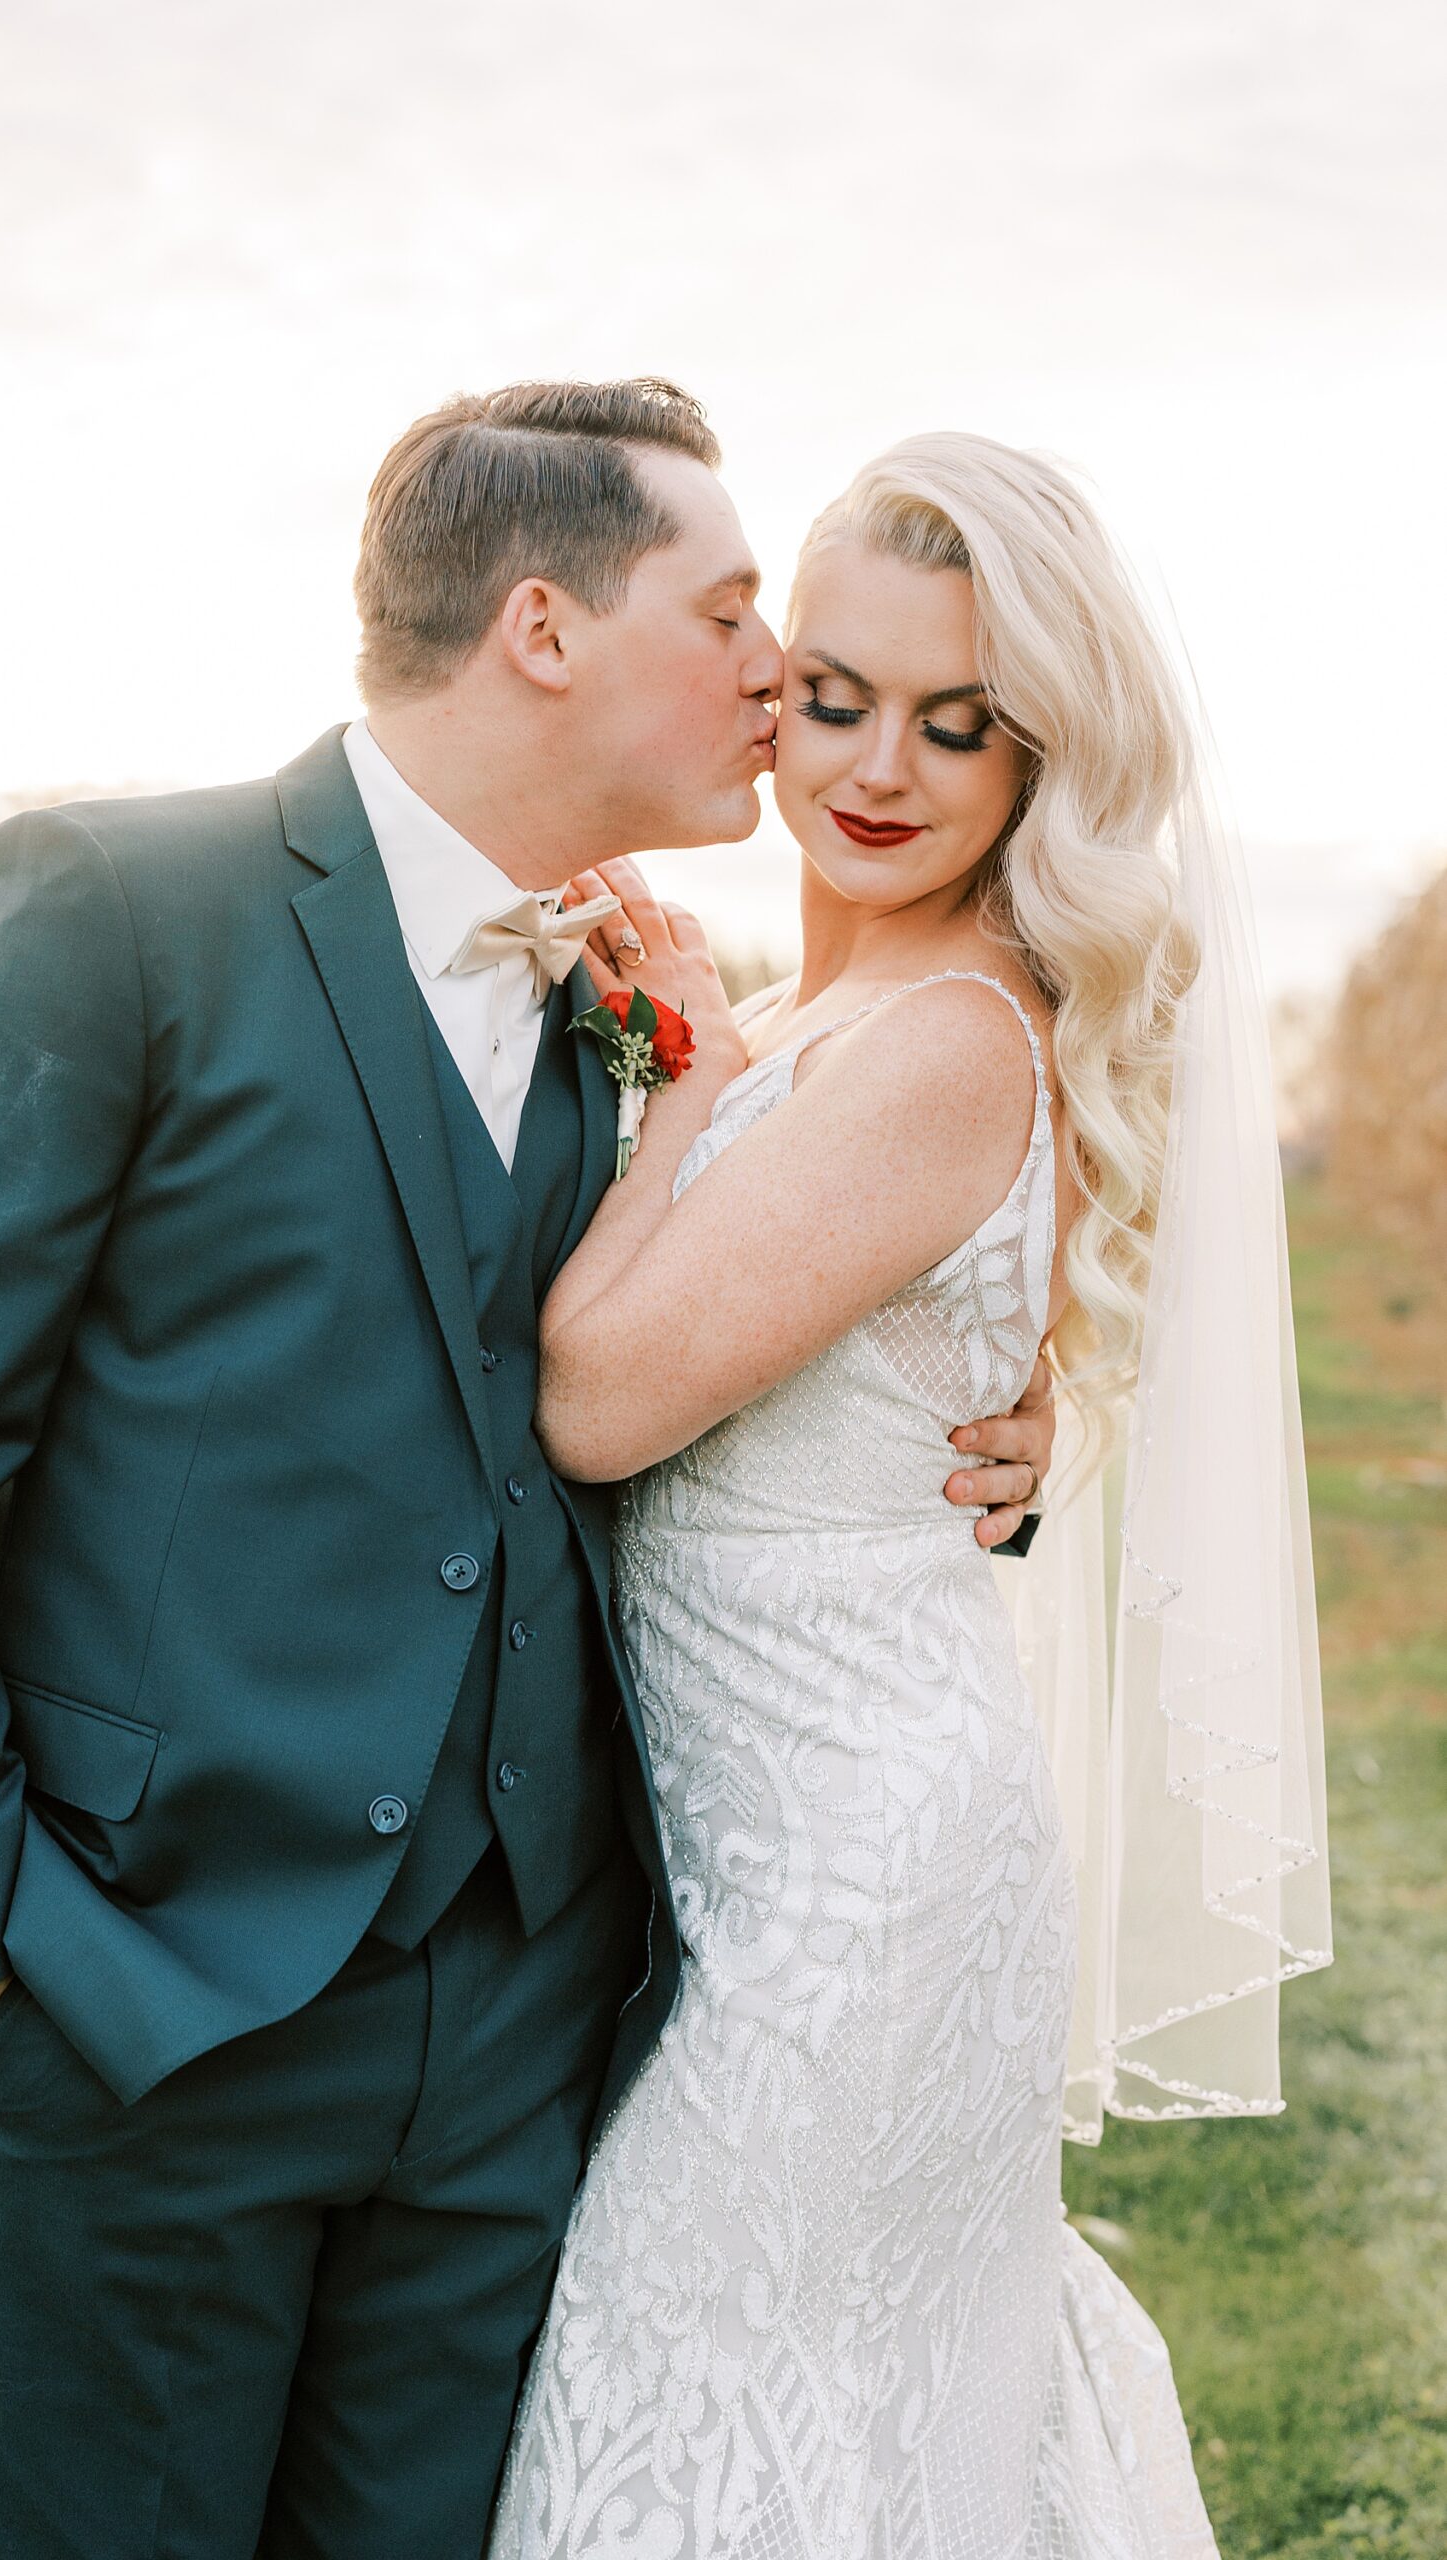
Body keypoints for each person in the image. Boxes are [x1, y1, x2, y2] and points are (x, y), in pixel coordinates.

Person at [0, 381, 1057, 2559]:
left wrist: (1005, 1447)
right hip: (134, 2006)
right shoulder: (112, 904)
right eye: (729, 611)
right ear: (541, 627)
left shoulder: (611, 997)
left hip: (521, 2034)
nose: (776, 676)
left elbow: (739, 1358)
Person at [488, 432, 1331, 2559]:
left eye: (958, 724)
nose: (876, 764)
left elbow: (593, 1397)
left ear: (1039, 752)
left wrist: (673, 1070)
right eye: (838, 694)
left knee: (697, 2396)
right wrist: (713, 1035)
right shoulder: (821, 1011)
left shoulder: (945, 1036)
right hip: (765, 1869)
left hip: (862, 1897)